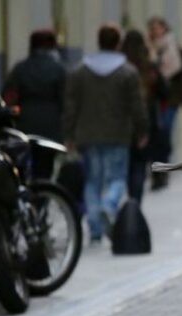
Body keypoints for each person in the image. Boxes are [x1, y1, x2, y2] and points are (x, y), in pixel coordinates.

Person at [63, 24, 147, 244]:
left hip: (87, 135)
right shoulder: (128, 72)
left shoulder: (79, 71)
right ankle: (108, 205)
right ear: (117, 43)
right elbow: (136, 105)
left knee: (92, 181)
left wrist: (69, 134)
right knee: (117, 178)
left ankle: (95, 228)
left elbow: (71, 105)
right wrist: (142, 130)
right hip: (118, 134)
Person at [2, 29, 66, 179]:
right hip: (51, 125)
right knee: (46, 165)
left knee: (27, 164)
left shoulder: (20, 69)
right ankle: (42, 195)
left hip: (25, 123)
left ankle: (30, 193)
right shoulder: (58, 69)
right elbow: (65, 99)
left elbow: (8, 95)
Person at [122, 29, 166, 203]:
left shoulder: (121, 66)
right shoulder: (149, 67)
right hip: (146, 122)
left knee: (126, 165)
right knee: (139, 167)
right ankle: (135, 204)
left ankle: (126, 203)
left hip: (123, 123)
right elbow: (165, 92)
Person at [147, 16, 182, 190]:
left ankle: (163, 169)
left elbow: (175, 68)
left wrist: (158, 69)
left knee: (165, 133)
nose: (155, 31)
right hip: (155, 99)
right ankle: (158, 170)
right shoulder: (149, 48)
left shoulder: (170, 44)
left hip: (170, 98)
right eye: (152, 28)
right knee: (157, 135)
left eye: (157, 28)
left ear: (164, 28)